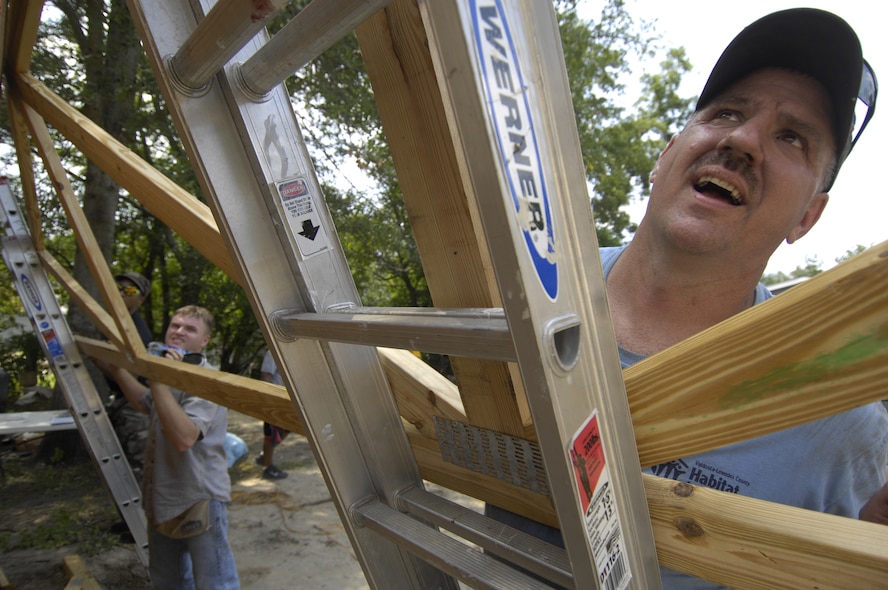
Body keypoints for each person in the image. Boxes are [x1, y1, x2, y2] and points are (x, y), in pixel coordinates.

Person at [487, 8, 888, 588]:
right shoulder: (524, 289)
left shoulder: (840, 423)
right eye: (727, 112)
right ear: (666, 154)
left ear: (808, 216)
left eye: (791, 137)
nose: (742, 140)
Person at [98, 305, 240, 589]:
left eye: (190, 329)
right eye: (175, 325)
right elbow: (146, 403)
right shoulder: (169, 372)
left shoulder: (206, 381)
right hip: (163, 495)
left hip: (199, 497)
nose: (179, 331)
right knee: (168, 580)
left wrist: (158, 380)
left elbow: (185, 437)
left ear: (205, 341)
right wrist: (116, 368)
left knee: (215, 582)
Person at [255, 349, 289, 481]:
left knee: (286, 429)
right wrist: (267, 400)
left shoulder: (289, 351)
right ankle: (267, 468)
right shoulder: (273, 351)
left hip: (286, 399)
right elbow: (266, 376)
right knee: (271, 434)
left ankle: (265, 456)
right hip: (274, 400)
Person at [115, 272, 153, 346]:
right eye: (119, 287)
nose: (121, 294)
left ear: (141, 300)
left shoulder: (140, 334)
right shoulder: (100, 310)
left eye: (130, 291)